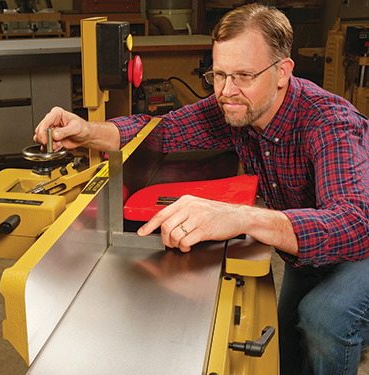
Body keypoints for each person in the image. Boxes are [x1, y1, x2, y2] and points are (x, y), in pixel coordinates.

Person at [34, 3, 369, 374]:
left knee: (324, 320)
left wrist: (240, 216)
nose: (226, 91)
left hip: (361, 246)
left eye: (243, 75)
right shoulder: (238, 105)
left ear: (282, 72)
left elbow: (352, 225)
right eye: (219, 74)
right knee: (285, 339)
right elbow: (160, 131)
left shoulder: (329, 123)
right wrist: (86, 131)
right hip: (306, 246)